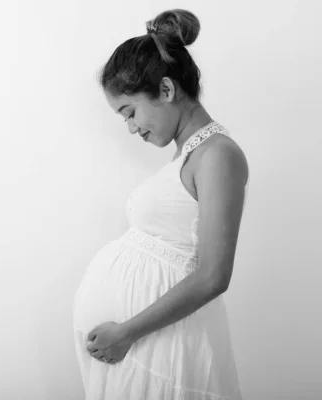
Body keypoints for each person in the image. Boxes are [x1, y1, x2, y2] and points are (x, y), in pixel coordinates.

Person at [72, 9, 249, 400]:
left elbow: (214, 276)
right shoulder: (188, 154)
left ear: (166, 90)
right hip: (154, 343)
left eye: (129, 112)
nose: (132, 128)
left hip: (163, 343)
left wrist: (127, 331)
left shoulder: (217, 155)